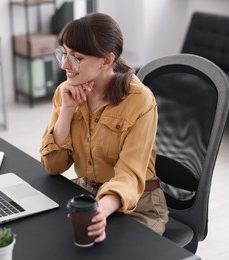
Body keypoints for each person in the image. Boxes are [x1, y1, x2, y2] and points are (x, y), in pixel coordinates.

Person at [40, 12, 169, 243]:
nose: (64, 64)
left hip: (138, 205)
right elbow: (53, 165)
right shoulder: (67, 91)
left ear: (107, 60)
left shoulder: (139, 101)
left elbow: (129, 174)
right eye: (64, 53)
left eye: (76, 57)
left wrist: (100, 210)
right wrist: (68, 109)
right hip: (87, 193)